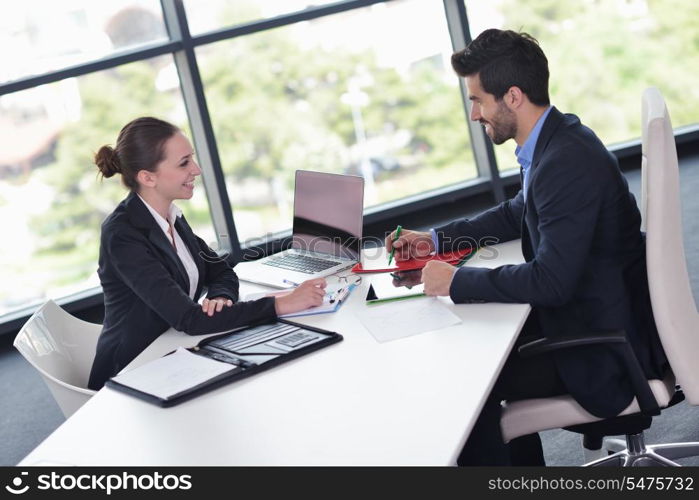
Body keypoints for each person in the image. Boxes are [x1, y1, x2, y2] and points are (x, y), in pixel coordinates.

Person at [385, 29, 668, 465]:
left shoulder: (564, 162)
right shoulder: (558, 139)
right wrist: (435, 241)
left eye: (478, 100)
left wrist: (455, 280)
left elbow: (551, 282)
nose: (475, 114)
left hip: (603, 348)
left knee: (467, 382)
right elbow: (518, 211)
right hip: (597, 312)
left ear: (512, 96)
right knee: (474, 348)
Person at [88, 117, 326, 390]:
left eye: (192, 158)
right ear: (147, 177)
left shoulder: (170, 215)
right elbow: (189, 318)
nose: (197, 169)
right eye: (184, 163)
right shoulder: (122, 235)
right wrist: (282, 303)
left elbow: (221, 270)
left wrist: (221, 297)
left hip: (174, 350)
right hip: (133, 370)